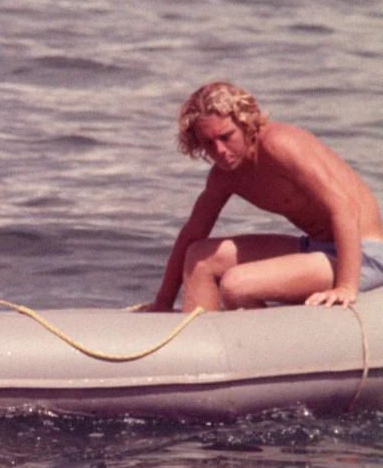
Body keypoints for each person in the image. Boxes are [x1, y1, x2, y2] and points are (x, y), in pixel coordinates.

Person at [148, 81, 383, 312]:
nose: (220, 151)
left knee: (237, 284)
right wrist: (162, 303)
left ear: (245, 123)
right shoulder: (224, 176)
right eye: (208, 143)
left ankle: (269, 342)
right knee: (199, 257)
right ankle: (196, 342)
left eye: (226, 137)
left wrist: (345, 287)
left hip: (364, 254)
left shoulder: (279, 144)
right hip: (315, 248)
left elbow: (345, 207)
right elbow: (192, 233)